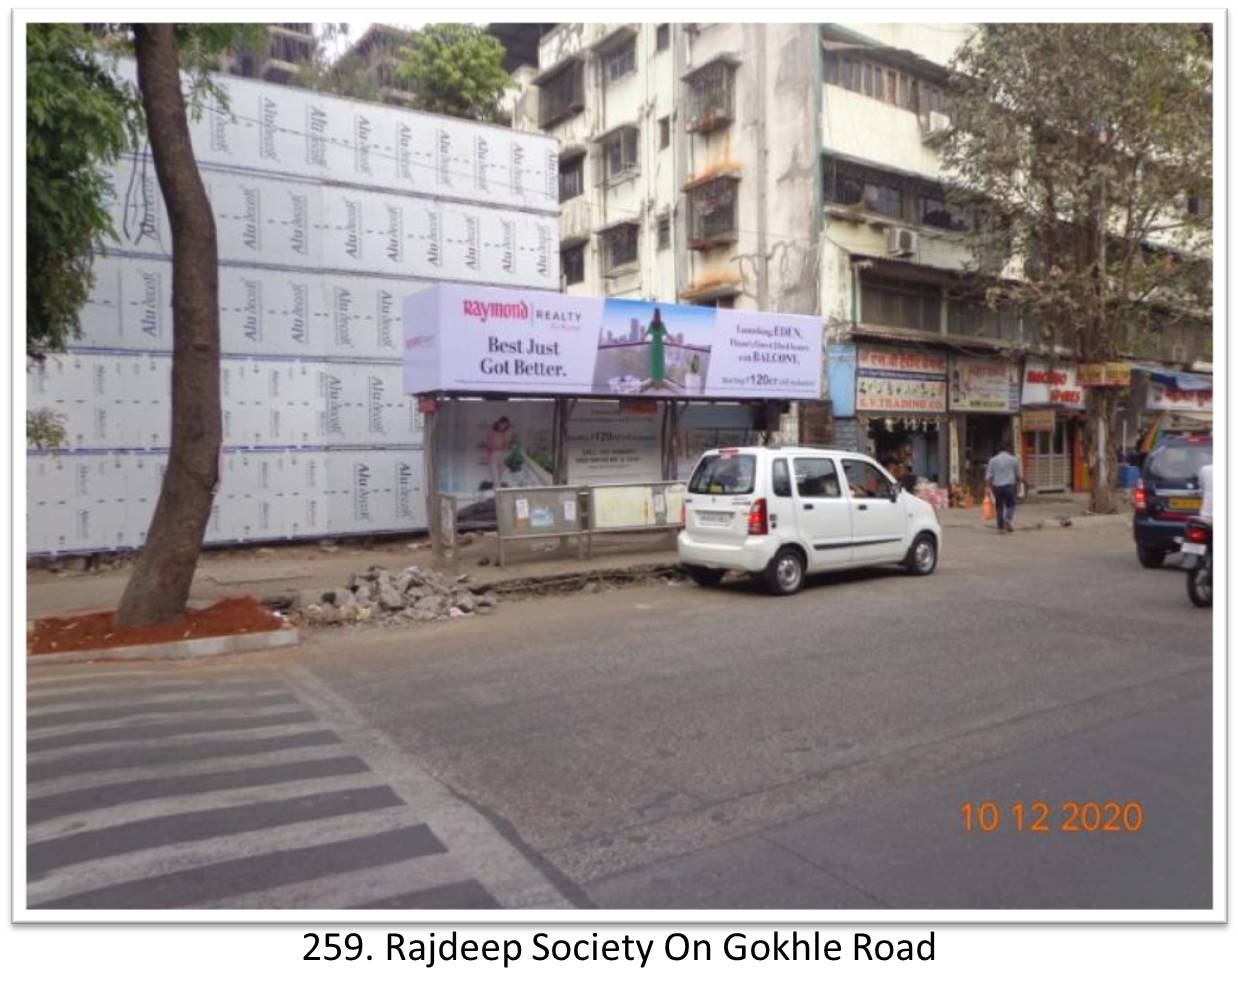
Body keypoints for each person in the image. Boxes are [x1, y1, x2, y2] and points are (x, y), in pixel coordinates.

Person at [985, 440, 1022, 533]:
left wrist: (988, 487)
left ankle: (1000, 527)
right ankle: (1008, 520)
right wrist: (1018, 486)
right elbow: (1018, 475)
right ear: (1008, 449)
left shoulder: (992, 460)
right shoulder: (1014, 459)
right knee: (1011, 504)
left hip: (997, 487)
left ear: (998, 450)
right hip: (1010, 486)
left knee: (999, 506)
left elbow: (988, 476)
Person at [481, 416, 514, 489]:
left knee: (501, 473)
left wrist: (505, 445)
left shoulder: (508, 431)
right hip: (493, 453)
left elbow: (507, 442)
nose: (504, 426)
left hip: (503, 453)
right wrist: (490, 451)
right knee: (494, 474)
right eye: (502, 424)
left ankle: (497, 488)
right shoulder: (491, 429)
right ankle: (497, 488)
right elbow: (488, 442)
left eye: (506, 425)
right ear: (499, 423)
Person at [645, 308, 669, 389]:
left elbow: (646, 333)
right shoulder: (661, 324)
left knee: (655, 365)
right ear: (659, 315)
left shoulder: (652, 323)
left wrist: (641, 338)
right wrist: (674, 340)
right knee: (659, 365)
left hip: (654, 345)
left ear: (654, 315)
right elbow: (667, 334)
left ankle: (656, 384)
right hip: (659, 345)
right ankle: (658, 384)